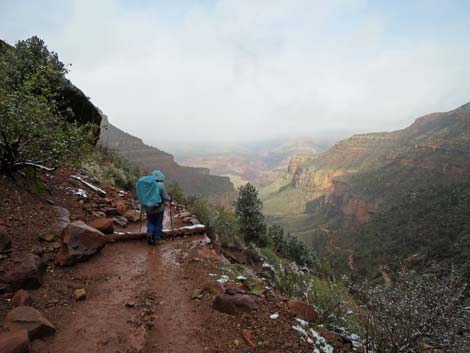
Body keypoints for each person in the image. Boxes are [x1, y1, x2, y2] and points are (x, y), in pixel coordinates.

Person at [145, 169, 171, 246]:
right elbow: (165, 197)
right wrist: (170, 199)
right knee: (158, 223)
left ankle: (149, 233)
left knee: (150, 222)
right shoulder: (160, 185)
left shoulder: (147, 184)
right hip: (158, 208)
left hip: (148, 208)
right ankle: (157, 239)